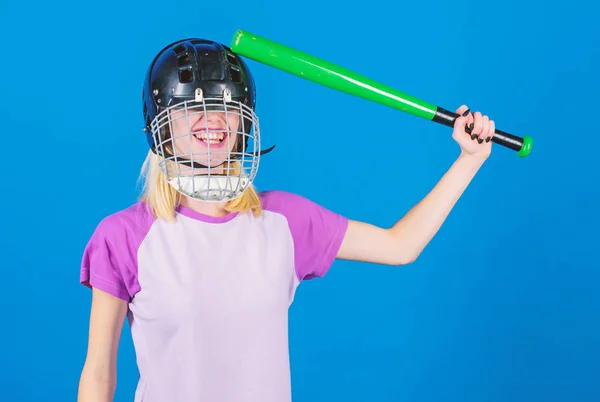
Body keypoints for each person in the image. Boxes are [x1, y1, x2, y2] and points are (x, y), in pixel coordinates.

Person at [77, 37, 496, 402]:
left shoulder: (284, 220)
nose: (214, 120)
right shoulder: (123, 237)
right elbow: (98, 373)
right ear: (160, 127)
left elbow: (400, 246)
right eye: (191, 107)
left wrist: (469, 160)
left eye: (227, 106)